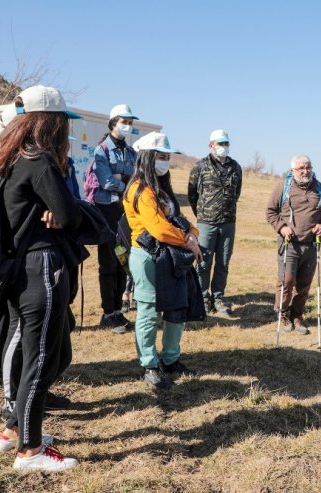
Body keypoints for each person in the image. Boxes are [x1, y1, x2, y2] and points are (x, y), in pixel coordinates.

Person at [0, 85, 82, 471]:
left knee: (27, 350)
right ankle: (31, 451)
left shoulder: (4, 157)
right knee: (40, 359)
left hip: (14, 269)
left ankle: (15, 431)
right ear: (50, 122)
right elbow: (70, 215)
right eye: (62, 123)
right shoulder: (39, 161)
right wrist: (60, 215)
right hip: (41, 271)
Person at [124, 132, 202, 389]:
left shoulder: (161, 188)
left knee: (175, 308)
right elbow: (158, 228)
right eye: (161, 156)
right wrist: (188, 239)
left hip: (170, 256)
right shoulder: (139, 189)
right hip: (147, 256)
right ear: (147, 157)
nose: (165, 161)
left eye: (168, 157)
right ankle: (149, 364)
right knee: (148, 311)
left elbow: (177, 218)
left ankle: (170, 359)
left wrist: (192, 231)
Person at [266, 154, 321, 335]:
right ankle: (283, 315)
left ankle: (297, 317)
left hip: (311, 245)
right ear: (293, 170)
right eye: (301, 168)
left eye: (308, 167)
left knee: (304, 285)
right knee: (286, 282)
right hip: (289, 244)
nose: (305, 171)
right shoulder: (283, 187)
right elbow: (271, 212)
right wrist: (282, 227)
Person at [92, 104, 138, 333]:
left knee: (123, 262)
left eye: (130, 122)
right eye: (124, 121)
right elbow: (106, 181)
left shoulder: (131, 153)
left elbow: (135, 178)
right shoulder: (102, 150)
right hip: (107, 212)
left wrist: (123, 182)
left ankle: (119, 310)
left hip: (125, 212)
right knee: (108, 263)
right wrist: (125, 184)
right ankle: (108, 312)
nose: (127, 126)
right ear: (113, 123)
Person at [187, 129, 242, 315]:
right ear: (211, 145)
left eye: (226, 143)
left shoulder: (236, 167)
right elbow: (192, 194)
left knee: (223, 262)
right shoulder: (200, 166)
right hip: (206, 223)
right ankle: (202, 298)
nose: (224, 147)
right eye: (220, 144)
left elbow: (237, 193)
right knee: (202, 261)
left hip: (228, 223)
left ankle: (218, 298)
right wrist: (202, 214)